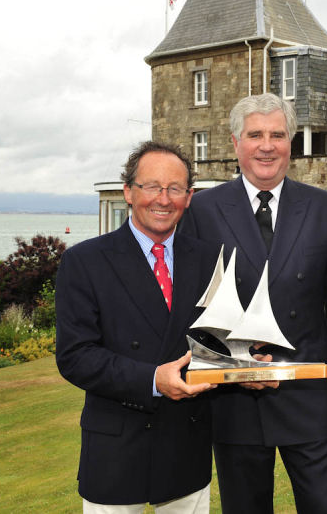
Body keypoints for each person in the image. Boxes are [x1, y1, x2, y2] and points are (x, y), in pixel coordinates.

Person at [179, 93, 327, 513]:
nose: (267, 145)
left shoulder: (323, 208)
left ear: (291, 143)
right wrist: (235, 366)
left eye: (277, 135)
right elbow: (192, 308)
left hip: (310, 398)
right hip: (233, 402)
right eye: (255, 135)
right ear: (235, 143)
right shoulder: (203, 210)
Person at [56, 141, 220, 513]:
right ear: (128, 191)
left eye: (175, 188)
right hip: (115, 448)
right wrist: (152, 380)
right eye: (151, 186)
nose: (163, 199)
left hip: (186, 446)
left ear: (189, 197)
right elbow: (75, 357)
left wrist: (248, 359)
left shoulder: (211, 259)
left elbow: (217, 341)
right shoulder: (84, 262)